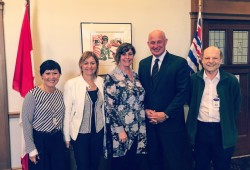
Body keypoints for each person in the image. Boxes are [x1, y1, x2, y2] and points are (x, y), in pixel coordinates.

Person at [138, 30, 190, 170]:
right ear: (148, 44)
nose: (156, 45)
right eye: (152, 42)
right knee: (153, 162)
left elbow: (183, 92)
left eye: (159, 42)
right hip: (150, 124)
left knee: (173, 162)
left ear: (165, 42)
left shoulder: (179, 63)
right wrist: (145, 110)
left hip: (172, 125)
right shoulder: (143, 64)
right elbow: (141, 91)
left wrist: (165, 114)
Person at [186, 46, 242, 170]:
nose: (211, 61)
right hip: (200, 130)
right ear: (201, 60)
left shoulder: (231, 80)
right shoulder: (193, 80)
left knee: (222, 165)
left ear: (221, 60)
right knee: (200, 165)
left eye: (215, 58)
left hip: (222, 130)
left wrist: (227, 120)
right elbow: (191, 102)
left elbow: (236, 106)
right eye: (207, 58)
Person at [104, 43, 147, 170]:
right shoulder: (111, 77)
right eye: (124, 54)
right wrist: (120, 130)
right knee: (122, 164)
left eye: (130, 54)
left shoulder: (136, 75)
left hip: (138, 127)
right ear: (118, 56)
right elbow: (109, 107)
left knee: (135, 163)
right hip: (122, 129)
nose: (127, 57)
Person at [63, 51, 105, 170]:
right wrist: (66, 137)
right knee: (83, 166)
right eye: (86, 63)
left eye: (92, 63)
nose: (89, 66)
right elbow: (67, 112)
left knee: (95, 164)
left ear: (96, 65)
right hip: (80, 134)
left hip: (98, 132)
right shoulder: (72, 84)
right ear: (81, 65)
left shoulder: (101, 82)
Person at [22, 60, 66, 170]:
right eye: (47, 73)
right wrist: (31, 149)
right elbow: (26, 123)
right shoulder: (32, 95)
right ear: (42, 75)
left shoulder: (60, 94)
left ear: (59, 75)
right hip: (40, 141)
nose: (52, 77)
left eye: (55, 73)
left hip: (57, 139)